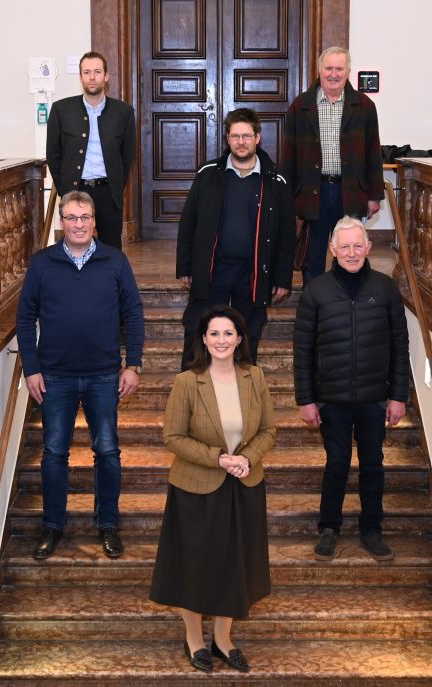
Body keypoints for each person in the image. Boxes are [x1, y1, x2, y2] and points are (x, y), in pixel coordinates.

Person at [16, 191, 144, 560]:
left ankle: (108, 524)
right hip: (55, 377)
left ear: (94, 221)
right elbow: (25, 318)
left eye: (85, 217)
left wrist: (133, 364)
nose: (79, 224)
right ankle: (52, 526)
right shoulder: (42, 263)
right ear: (61, 222)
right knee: (54, 453)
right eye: (71, 217)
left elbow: (133, 313)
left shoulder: (115, 261)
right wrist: (31, 369)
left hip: (104, 375)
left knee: (107, 452)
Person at [150, 304, 275, 673]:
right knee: (195, 565)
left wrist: (247, 458)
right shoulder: (187, 382)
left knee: (234, 565)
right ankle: (193, 638)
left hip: (244, 484)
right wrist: (218, 459)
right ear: (203, 339)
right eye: (214, 333)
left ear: (239, 339)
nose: (222, 340)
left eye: (228, 333)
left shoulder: (255, 376)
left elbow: (268, 430)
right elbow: (172, 437)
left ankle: (223, 639)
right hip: (196, 489)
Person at [293, 216, 409, 562]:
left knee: (373, 465)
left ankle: (371, 529)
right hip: (332, 399)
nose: (352, 252)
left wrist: (398, 396)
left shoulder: (386, 289)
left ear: (369, 247)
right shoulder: (315, 291)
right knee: (337, 464)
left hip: (375, 398)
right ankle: (329, 527)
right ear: (332, 249)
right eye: (344, 246)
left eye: (358, 245)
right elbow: (303, 351)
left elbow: (399, 347)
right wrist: (306, 400)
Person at [177, 107, 296, 370]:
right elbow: (188, 222)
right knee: (197, 327)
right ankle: (190, 387)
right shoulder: (208, 173)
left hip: (253, 272)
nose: (241, 142)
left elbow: (287, 234)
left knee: (248, 333)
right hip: (213, 268)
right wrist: (185, 267)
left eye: (246, 136)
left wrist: (282, 278)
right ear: (228, 139)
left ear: (257, 138)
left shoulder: (276, 180)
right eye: (235, 136)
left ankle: (243, 388)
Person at [282, 46, 384, 285]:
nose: (334, 74)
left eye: (339, 69)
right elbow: (289, 155)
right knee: (312, 257)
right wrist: (287, 196)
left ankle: (349, 298)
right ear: (319, 70)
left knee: (350, 251)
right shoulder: (300, 106)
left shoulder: (365, 106)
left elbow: (373, 154)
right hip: (312, 192)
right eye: (329, 68)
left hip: (350, 191)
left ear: (348, 71)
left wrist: (374, 196)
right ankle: (314, 301)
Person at [46, 51, 136, 249]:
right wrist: (65, 190)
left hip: (108, 193)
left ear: (106, 76)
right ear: (80, 77)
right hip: (75, 190)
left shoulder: (123, 112)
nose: (92, 77)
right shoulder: (61, 110)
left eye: (97, 72)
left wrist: (116, 186)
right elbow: (53, 155)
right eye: (87, 72)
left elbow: (127, 156)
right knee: (74, 246)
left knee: (111, 249)